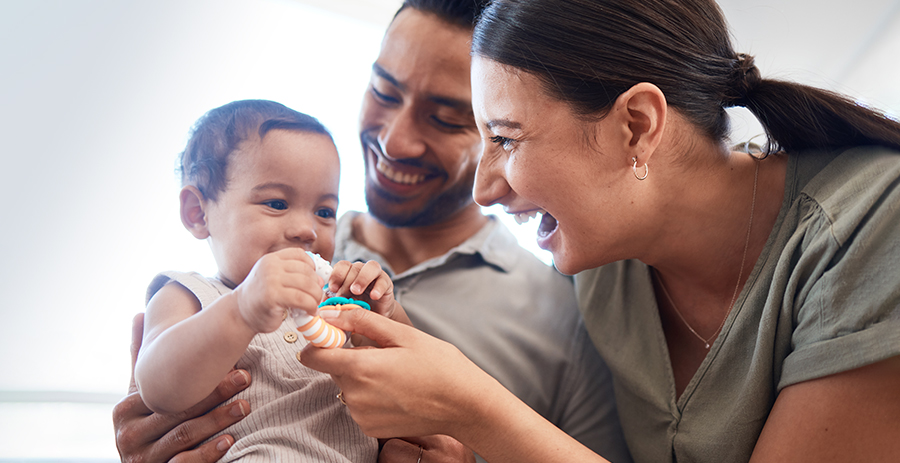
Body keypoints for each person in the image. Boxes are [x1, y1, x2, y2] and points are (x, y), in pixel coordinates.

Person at [297, 0, 900, 462]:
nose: (483, 190)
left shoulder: (873, 222)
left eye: (505, 138)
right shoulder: (605, 276)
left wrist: (474, 407)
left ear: (637, 125)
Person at [113, 2, 631, 463]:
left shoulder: (565, 311)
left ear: (498, 134)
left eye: (447, 119)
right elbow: (162, 394)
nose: (397, 140)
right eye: (384, 91)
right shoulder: (241, 274)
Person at [133, 99, 408, 462]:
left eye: (325, 212)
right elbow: (159, 388)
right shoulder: (189, 295)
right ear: (198, 213)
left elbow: (417, 376)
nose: (307, 230)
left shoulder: (332, 302)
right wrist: (242, 309)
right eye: (277, 204)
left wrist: (383, 317)